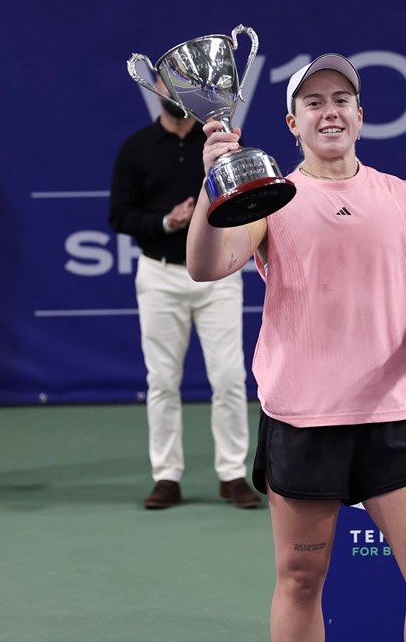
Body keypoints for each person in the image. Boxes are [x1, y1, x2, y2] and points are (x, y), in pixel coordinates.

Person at [186, 53, 406, 641]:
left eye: (340, 101)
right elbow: (207, 266)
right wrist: (211, 181)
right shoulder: (270, 199)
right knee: (301, 579)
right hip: (304, 419)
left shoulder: (404, 196)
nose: (329, 113)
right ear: (293, 123)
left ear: (360, 115)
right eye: (313, 103)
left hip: (393, 415)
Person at [108, 78, 260, 510]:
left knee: (230, 378)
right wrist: (165, 223)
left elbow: (249, 193)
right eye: (166, 89)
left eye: (181, 89)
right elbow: (119, 214)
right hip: (159, 276)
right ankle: (166, 476)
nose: (173, 97)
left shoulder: (222, 140)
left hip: (218, 277)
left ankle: (232, 475)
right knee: (161, 381)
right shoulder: (136, 148)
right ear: (155, 93)